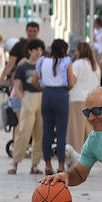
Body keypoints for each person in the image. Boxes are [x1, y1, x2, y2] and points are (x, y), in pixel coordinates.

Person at [36, 38, 76, 174]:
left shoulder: (43, 61)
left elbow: (34, 80)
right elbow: (70, 83)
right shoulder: (66, 62)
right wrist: (74, 81)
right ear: (64, 50)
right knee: (61, 133)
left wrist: (45, 89)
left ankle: (47, 165)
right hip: (61, 95)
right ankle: (60, 165)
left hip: (47, 94)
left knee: (46, 131)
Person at [7, 38, 46, 176]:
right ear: (30, 51)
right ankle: (15, 163)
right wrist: (23, 99)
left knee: (39, 134)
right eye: (36, 49)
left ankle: (35, 165)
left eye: (40, 50)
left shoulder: (44, 65)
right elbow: (17, 86)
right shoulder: (23, 67)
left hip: (43, 98)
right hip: (29, 96)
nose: (38, 52)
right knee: (24, 132)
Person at [68, 42, 101, 153]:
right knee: (89, 128)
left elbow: (72, 81)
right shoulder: (95, 66)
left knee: (77, 128)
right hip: (92, 100)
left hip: (77, 98)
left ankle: (76, 151)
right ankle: (91, 152)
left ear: (80, 51)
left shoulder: (77, 64)